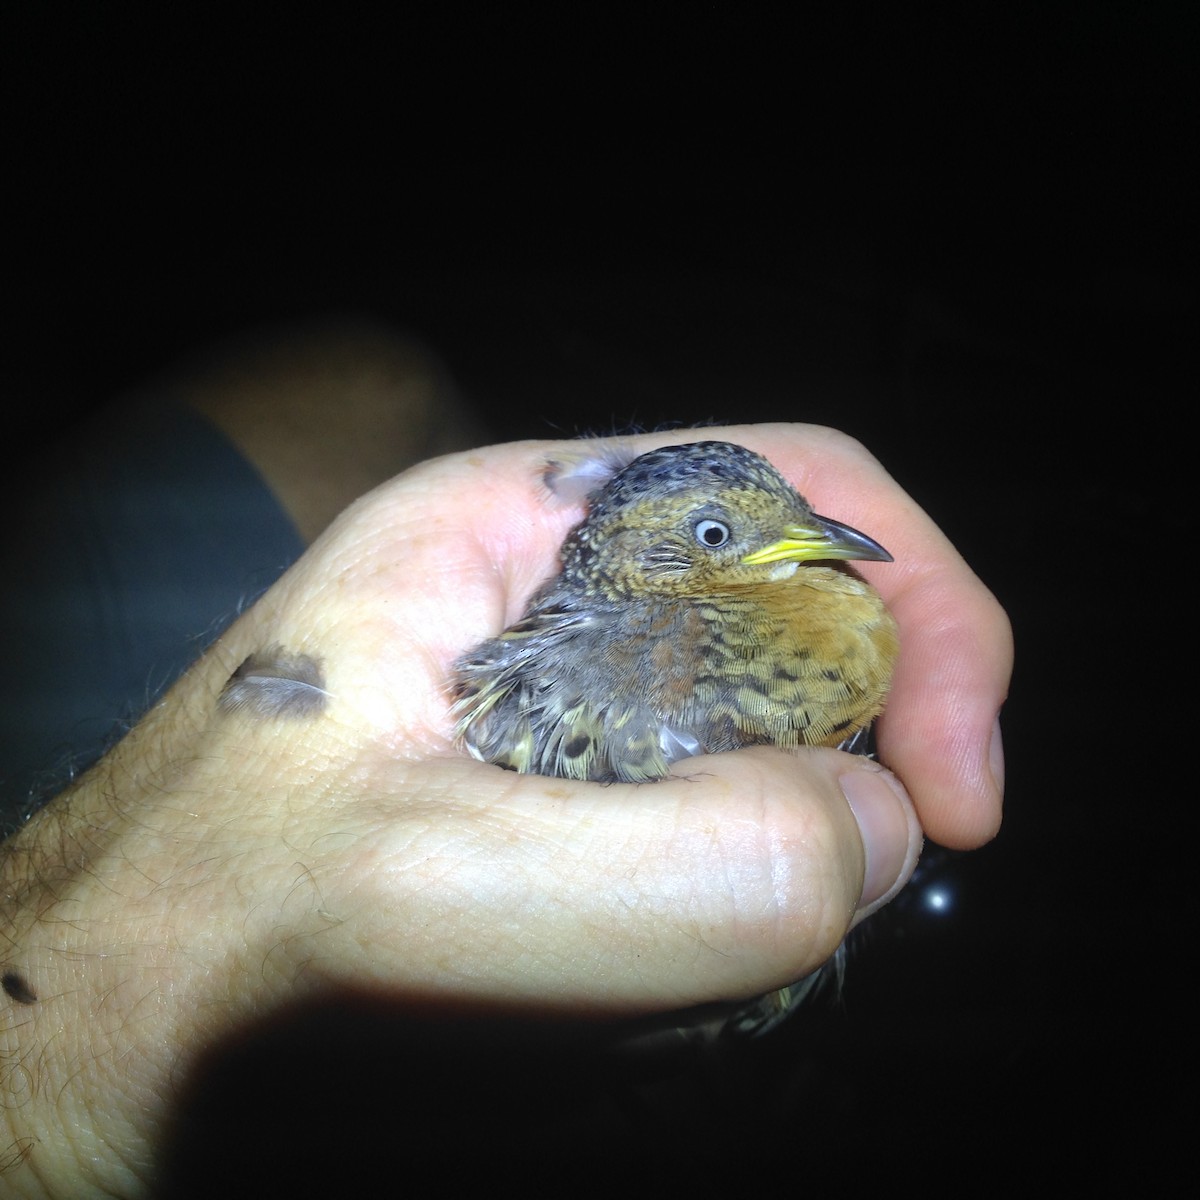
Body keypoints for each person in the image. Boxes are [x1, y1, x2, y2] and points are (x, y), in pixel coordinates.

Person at [0, 325, 1012, 1197]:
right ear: (663, 564)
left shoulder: (781, 603)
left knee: (374, 374)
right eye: (718, 534)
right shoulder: (689, 675)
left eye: (788, 515)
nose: (818, 539)